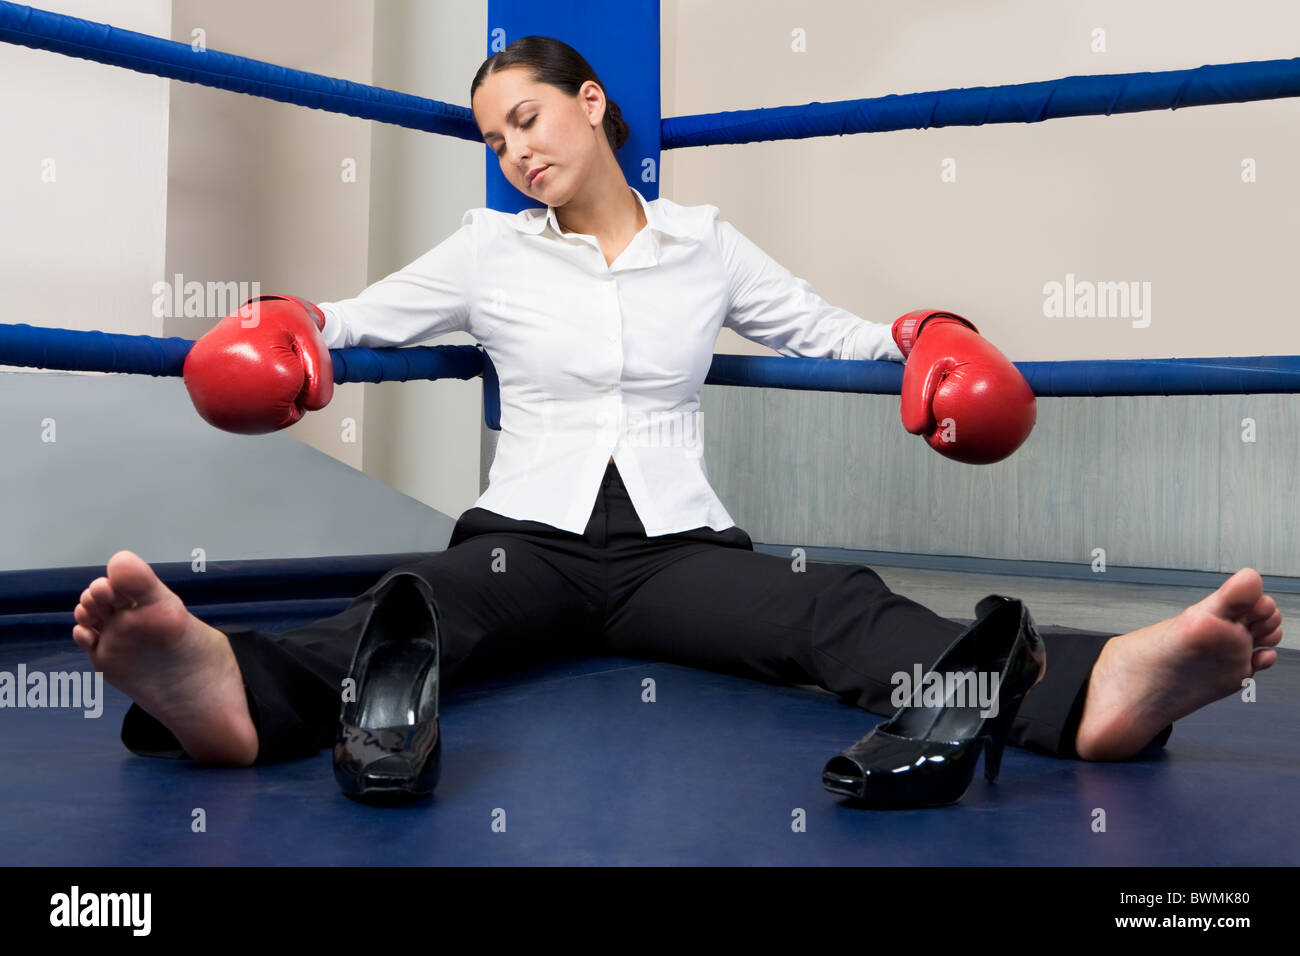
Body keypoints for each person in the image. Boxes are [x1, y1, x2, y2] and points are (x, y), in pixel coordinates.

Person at [71, 36, 1282, 777]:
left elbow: (834, 330)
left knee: (836, 612)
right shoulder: (485, 250)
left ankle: (1094, 690)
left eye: (529, 118)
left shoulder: (706, 245)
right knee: (412, 614)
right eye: (495, 138)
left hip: (676, 554)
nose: (515, 152)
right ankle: (224, 691)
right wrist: (282, 328)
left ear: (591, 103)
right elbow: (343, 318)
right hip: (524, 544)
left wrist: (933, 333)